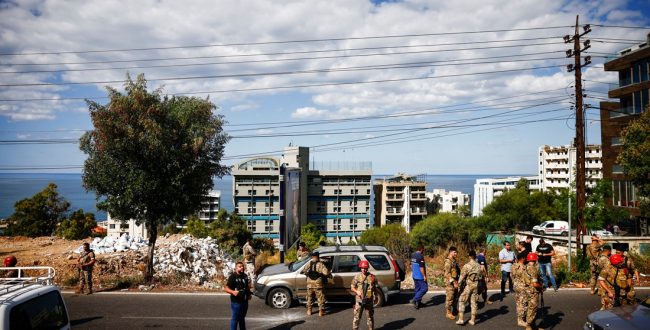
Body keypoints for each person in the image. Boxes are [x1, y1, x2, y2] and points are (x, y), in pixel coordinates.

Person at [456, 250, 483, 326]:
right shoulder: (478, 265)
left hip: (469, 285)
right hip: (476, 285)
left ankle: (461, 319)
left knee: (461, 300)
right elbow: (480, 276)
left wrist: (458, 286)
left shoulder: (467, 265)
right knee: (474, 302)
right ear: (475, 256)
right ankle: (472, 320)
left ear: (470, 256)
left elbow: (461, 277)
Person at [300, 251, 330, 316]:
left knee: (309, 297)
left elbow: (304, 270)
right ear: (318, 257)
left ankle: (309, 311)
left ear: (313, 257)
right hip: (318, 284)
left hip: (309, 284)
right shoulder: (320, 264)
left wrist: (308, 274)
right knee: (320, 298)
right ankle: (321, 312)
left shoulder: (309, 263)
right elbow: (326, 273)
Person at [224, 261, 251, 330]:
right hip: (236, 302)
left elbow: (247, 286)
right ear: (236, 268)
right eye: (240, 267)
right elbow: (226, 288)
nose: (242, 268)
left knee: (242, 318)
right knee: (235, 319)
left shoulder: (245, 276)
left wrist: (249, 294)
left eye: (242, 266)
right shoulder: (233, 277)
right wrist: (232, 292)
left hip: (244, 301)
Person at [351, 260, 378, 330]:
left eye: (365, 268)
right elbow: (352, 287)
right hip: (359, 300)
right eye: (363, 268)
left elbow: (375, 288)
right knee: (357, 317)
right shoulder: (357, 277)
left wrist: (376, 296)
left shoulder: (372, 277)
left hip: (369, 300)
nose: (364, 270)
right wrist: (357, 291)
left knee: (370, 317)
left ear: (367, 268)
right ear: (360, 268)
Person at [523, 253, 542, 330]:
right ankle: (528, 325)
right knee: (533, 308)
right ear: (535, 259)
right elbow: (535, 284)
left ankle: (531, 325)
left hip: (526, 290)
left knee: (528, 307)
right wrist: (541, 287)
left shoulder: (525, 267)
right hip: (533, 291)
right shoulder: (533, 269)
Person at [511, 251, 529, 327]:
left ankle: (520, 319)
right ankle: (521, 320)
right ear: (522, 258)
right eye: (525, 258)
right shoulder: (524, 267)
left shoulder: (514, 266)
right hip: (522, 287)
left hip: (516, 286)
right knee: (523, 303)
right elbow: (527, 279)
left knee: (519, 303)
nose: (526, 259)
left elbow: (512, 276)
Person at [410, 245, 427, 310]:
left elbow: (411, 265)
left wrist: (414, 272)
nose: (423, 251)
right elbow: (421, 268)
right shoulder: (420, 256)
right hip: (420, 276)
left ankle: (418, 303)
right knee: (424, 288)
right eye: (423, 250)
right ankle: (415, 299)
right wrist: (424, 276)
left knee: (417, 289)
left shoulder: (412, 255)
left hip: (414, 275)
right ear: (422, 249)